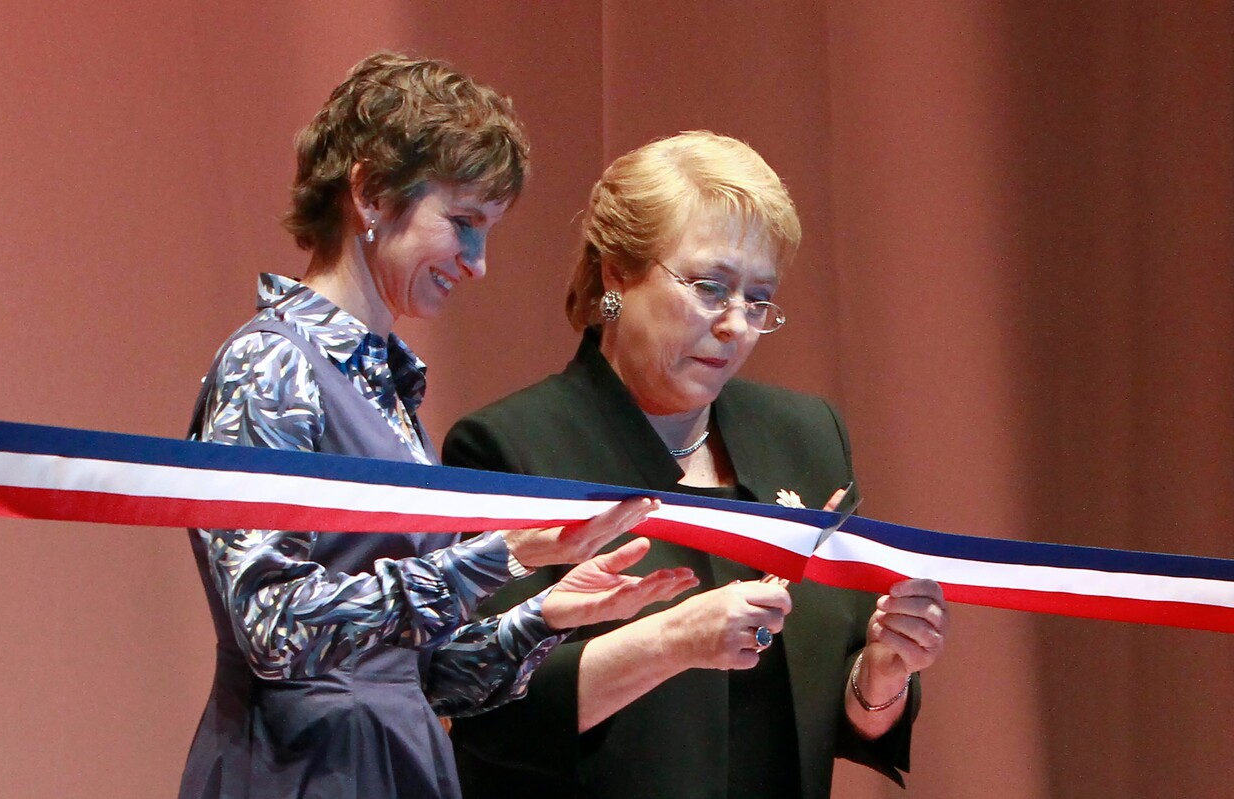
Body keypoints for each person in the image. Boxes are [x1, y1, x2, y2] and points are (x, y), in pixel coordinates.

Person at [178, 52, 697, 799]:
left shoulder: (387, 390)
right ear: (370, 193)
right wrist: (493, 557)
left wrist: (544, 611)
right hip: (298, 773)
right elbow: (273, 626)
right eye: (463, 222)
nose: (479, 262)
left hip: (393, 761)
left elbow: (424, 672)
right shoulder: (270, 363)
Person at [443, 131, 949, 798]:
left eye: (758, 299)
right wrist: (674, 639)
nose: (737, 323)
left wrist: (879, 678)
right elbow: (492, 711)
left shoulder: (805, 435)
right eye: (711, 287)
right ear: (617, 272)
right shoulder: (510, 449)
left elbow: (839, 703)